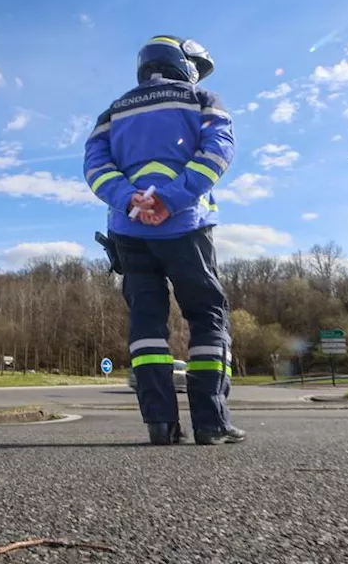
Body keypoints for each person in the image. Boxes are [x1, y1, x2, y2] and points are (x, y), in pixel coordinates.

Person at [83, 34, 243, 446]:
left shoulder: (112, 112)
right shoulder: (204, 99)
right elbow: (217, 152)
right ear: (182, 61)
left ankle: (159, 423)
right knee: (207, 315)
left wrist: (128, 200)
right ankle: (211, 423)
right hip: (186, 226)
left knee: (147, 324)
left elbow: (95, 167)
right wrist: (170, 199)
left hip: (129, 230)